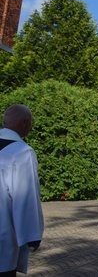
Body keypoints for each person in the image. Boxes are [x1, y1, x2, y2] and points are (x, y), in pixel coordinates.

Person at [0, 104, 44, 277]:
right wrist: (33, 235)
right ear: (25, 123)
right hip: (3, 238)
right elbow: (25, 197)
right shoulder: (22, 152)